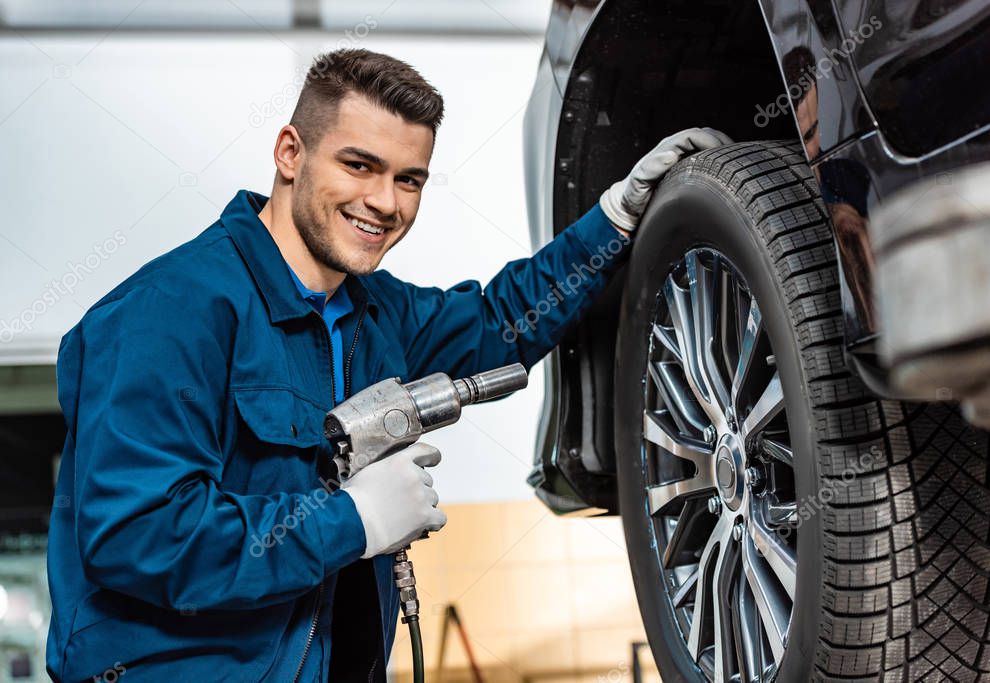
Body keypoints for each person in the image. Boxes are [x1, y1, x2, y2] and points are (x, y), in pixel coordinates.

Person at [45, 48, 731, 681]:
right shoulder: (167, 312)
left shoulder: (375, 314)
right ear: (290, 152)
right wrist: (351, 520)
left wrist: (610, 222)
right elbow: (140, 533)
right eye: (359, 165)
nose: (385, 202)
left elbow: (498, 323)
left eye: (410, 179)